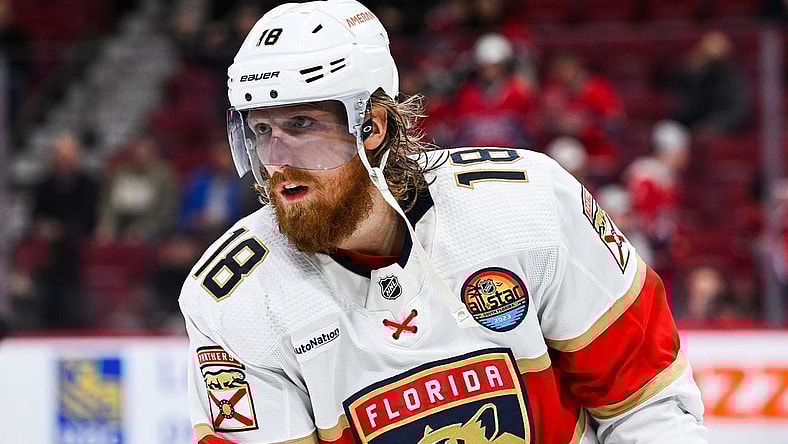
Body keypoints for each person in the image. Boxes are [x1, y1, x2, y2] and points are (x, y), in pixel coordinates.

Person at [179, 1, 707, 443]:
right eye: (261, 130)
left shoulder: (527, 204)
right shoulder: (233, 299)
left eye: (302, 125)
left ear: (374, 125)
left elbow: (649, 406)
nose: (278, 160)